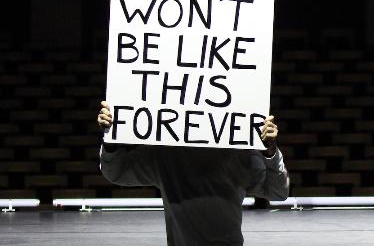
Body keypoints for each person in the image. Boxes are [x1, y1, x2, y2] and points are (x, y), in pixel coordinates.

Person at [96, 101, 290, 246]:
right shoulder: (164, 154)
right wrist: (111, 139)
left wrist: (271, 152)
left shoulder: (239, 154)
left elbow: (278, 192)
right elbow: (116, 172)